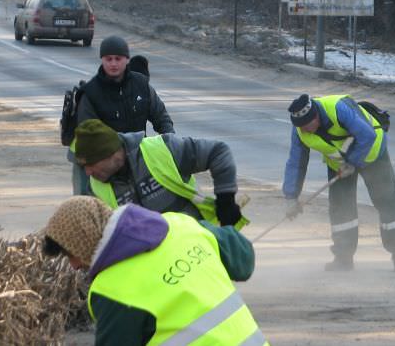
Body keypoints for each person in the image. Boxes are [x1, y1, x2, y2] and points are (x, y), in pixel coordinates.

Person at [42, 197, 267, 345]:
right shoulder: (181, 225)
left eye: (70, 253)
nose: (73, 265)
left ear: (84, 240)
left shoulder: (112, 289)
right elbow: (244, 260)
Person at [282, 94, 395, 272]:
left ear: (316, 117)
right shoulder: (299, 129)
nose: (304, 130)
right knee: (340, 208)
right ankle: (343, 258)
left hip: (372, 153)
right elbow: (296, 162)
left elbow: (367, 134)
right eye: (300, 127)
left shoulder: (338, 108)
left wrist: (353, 162)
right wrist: (291, 197)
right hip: (339, 164)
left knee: (386, 200)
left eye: (306, 126)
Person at [73, 119, 248, 229]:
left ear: (112, 154)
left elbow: (218, 152)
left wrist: (226, 200)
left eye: (91, 164)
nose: (88, 172)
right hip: (151, 265)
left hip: (195, 245)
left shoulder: (163, 150)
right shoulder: (95, 187)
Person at [68, 36, 173, 195]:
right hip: (101, 164)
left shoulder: (141, 85)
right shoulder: (90, 93)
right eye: (108, 59)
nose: (113, 64)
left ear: (127, 59)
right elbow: (88, 136)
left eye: (118, 58)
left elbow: (162, 118)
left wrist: (171, 146)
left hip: (136, 160)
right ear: (102, 59)